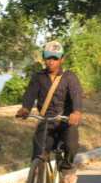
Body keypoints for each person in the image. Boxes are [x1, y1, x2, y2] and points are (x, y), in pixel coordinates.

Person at [16, 41, 83, 173]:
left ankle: (66, 170)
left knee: (71, 146)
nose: (51, 62)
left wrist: (76, 112)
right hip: (47, 121)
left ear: (62, 59)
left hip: (65, 121)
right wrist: (25, 108)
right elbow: (30, 95)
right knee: (38, 152)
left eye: (55, 58)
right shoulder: (38, 77)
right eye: (48, 58)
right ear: (44, 58)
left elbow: (76, 95)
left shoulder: (70, 77)